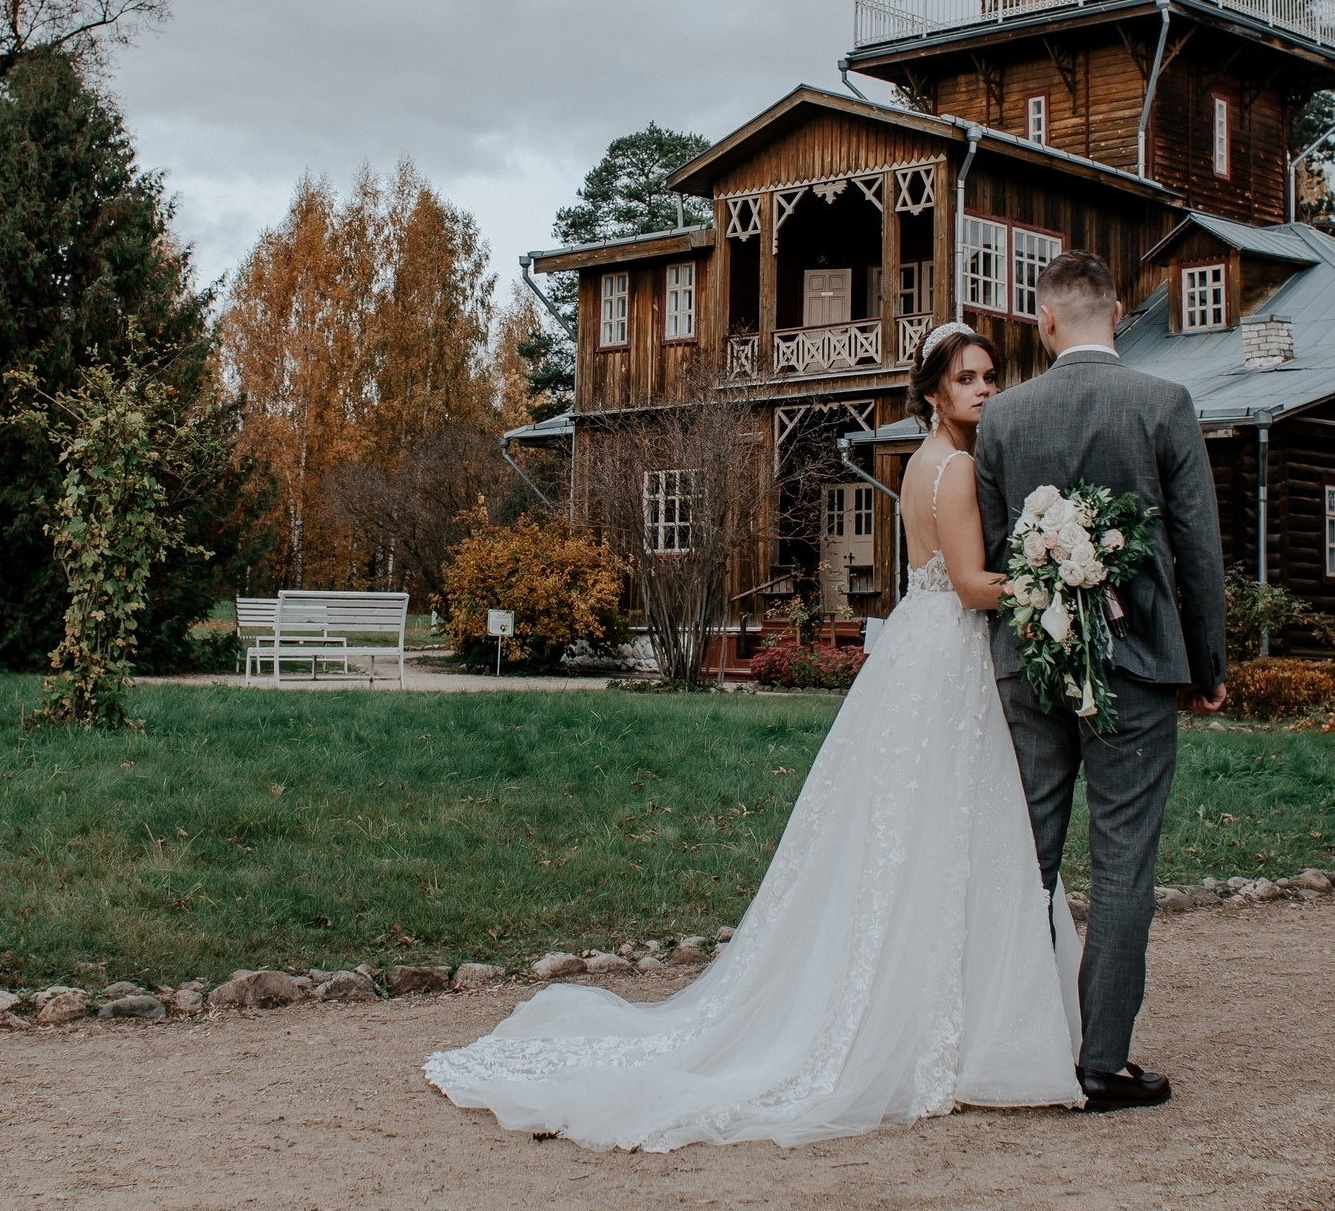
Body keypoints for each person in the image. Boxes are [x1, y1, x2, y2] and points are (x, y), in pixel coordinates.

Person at [423, 321, 1084, 1150]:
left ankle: (936, 1006)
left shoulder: (919, 463)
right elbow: (968, 584)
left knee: (917, 834)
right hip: (948, 655)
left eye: (989, 376)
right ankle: (945, 1022)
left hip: (920, 654)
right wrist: (1056, 571)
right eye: (967, 380)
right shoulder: (955, 471)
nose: (984, 390)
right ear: (931, 393)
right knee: (949, 827)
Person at [972, 249, 1226, 1113]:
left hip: (1029, 669)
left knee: (1026, 854)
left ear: (1044, 322)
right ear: (1116, 314)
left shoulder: (1002, 418)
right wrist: (1208, 664)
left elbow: (1003, 545)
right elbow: (1197, 545)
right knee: (1122, 860)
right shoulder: (1164, 403)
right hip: (1140, 666)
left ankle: (1007, 1043)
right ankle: (1099, 1061)